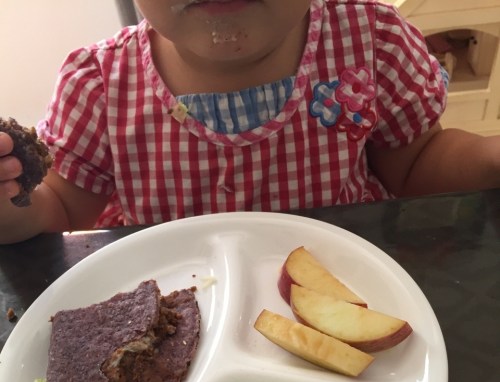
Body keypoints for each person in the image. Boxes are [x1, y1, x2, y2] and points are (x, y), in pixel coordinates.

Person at [0, 0, 499, 244]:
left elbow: (417, 163)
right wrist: (11, 202)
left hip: (342, 289)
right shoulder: (98, 83)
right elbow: (61, 210)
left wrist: (489, 158)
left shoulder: (371, 42)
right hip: (169, 316)